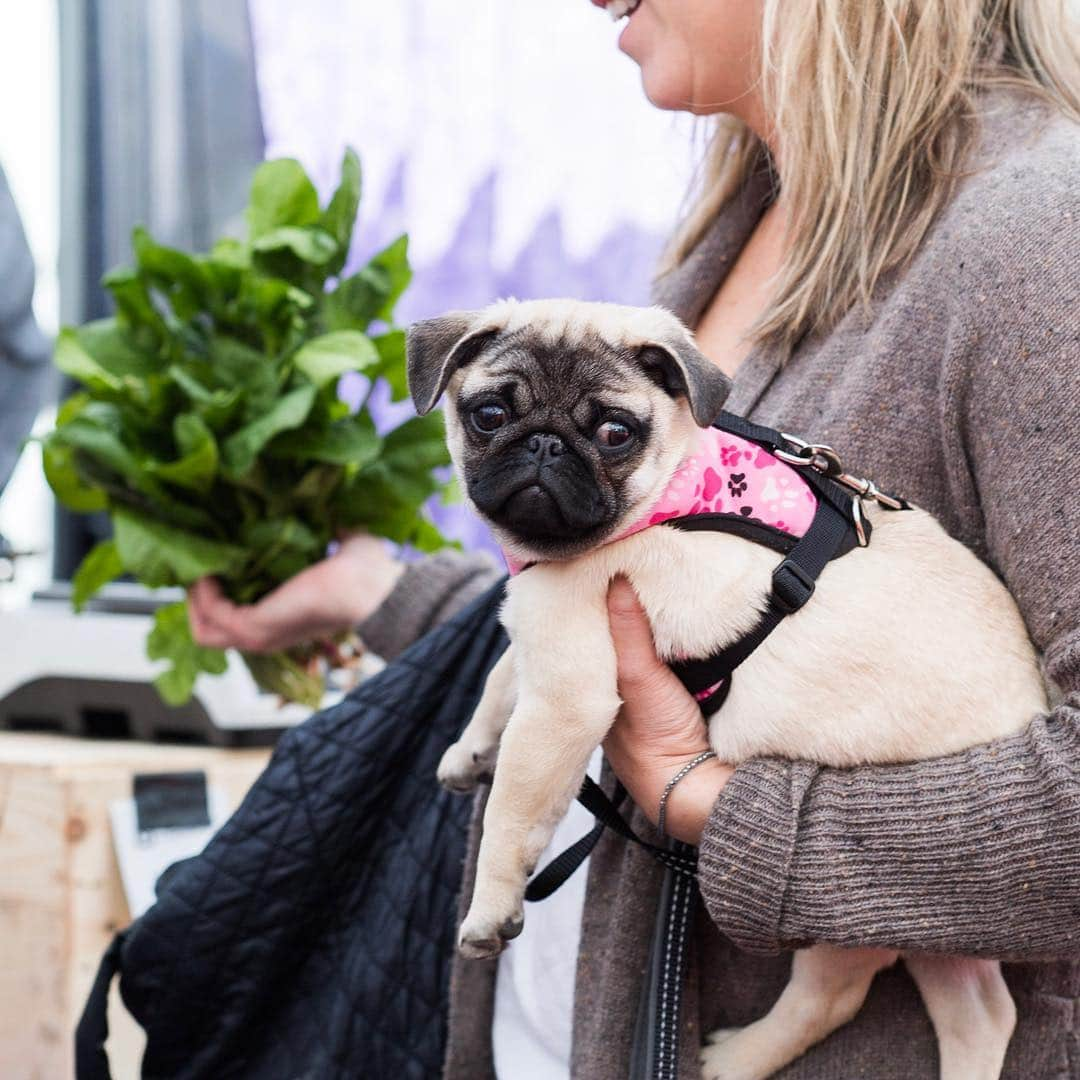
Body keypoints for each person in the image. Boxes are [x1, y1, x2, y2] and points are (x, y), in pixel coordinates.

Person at [190, 1, 1080, 1076]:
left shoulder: (1040, 238)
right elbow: (652, 613)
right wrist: (379, 591)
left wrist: (704, 802)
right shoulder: (749, 221)